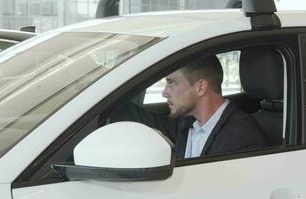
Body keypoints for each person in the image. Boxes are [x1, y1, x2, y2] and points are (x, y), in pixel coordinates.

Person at [107, 55, 268, 159]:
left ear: (201, 87)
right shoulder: (188, 125)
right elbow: (133, 115)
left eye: (171, 83)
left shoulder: (242, 139)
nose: (164, 92)